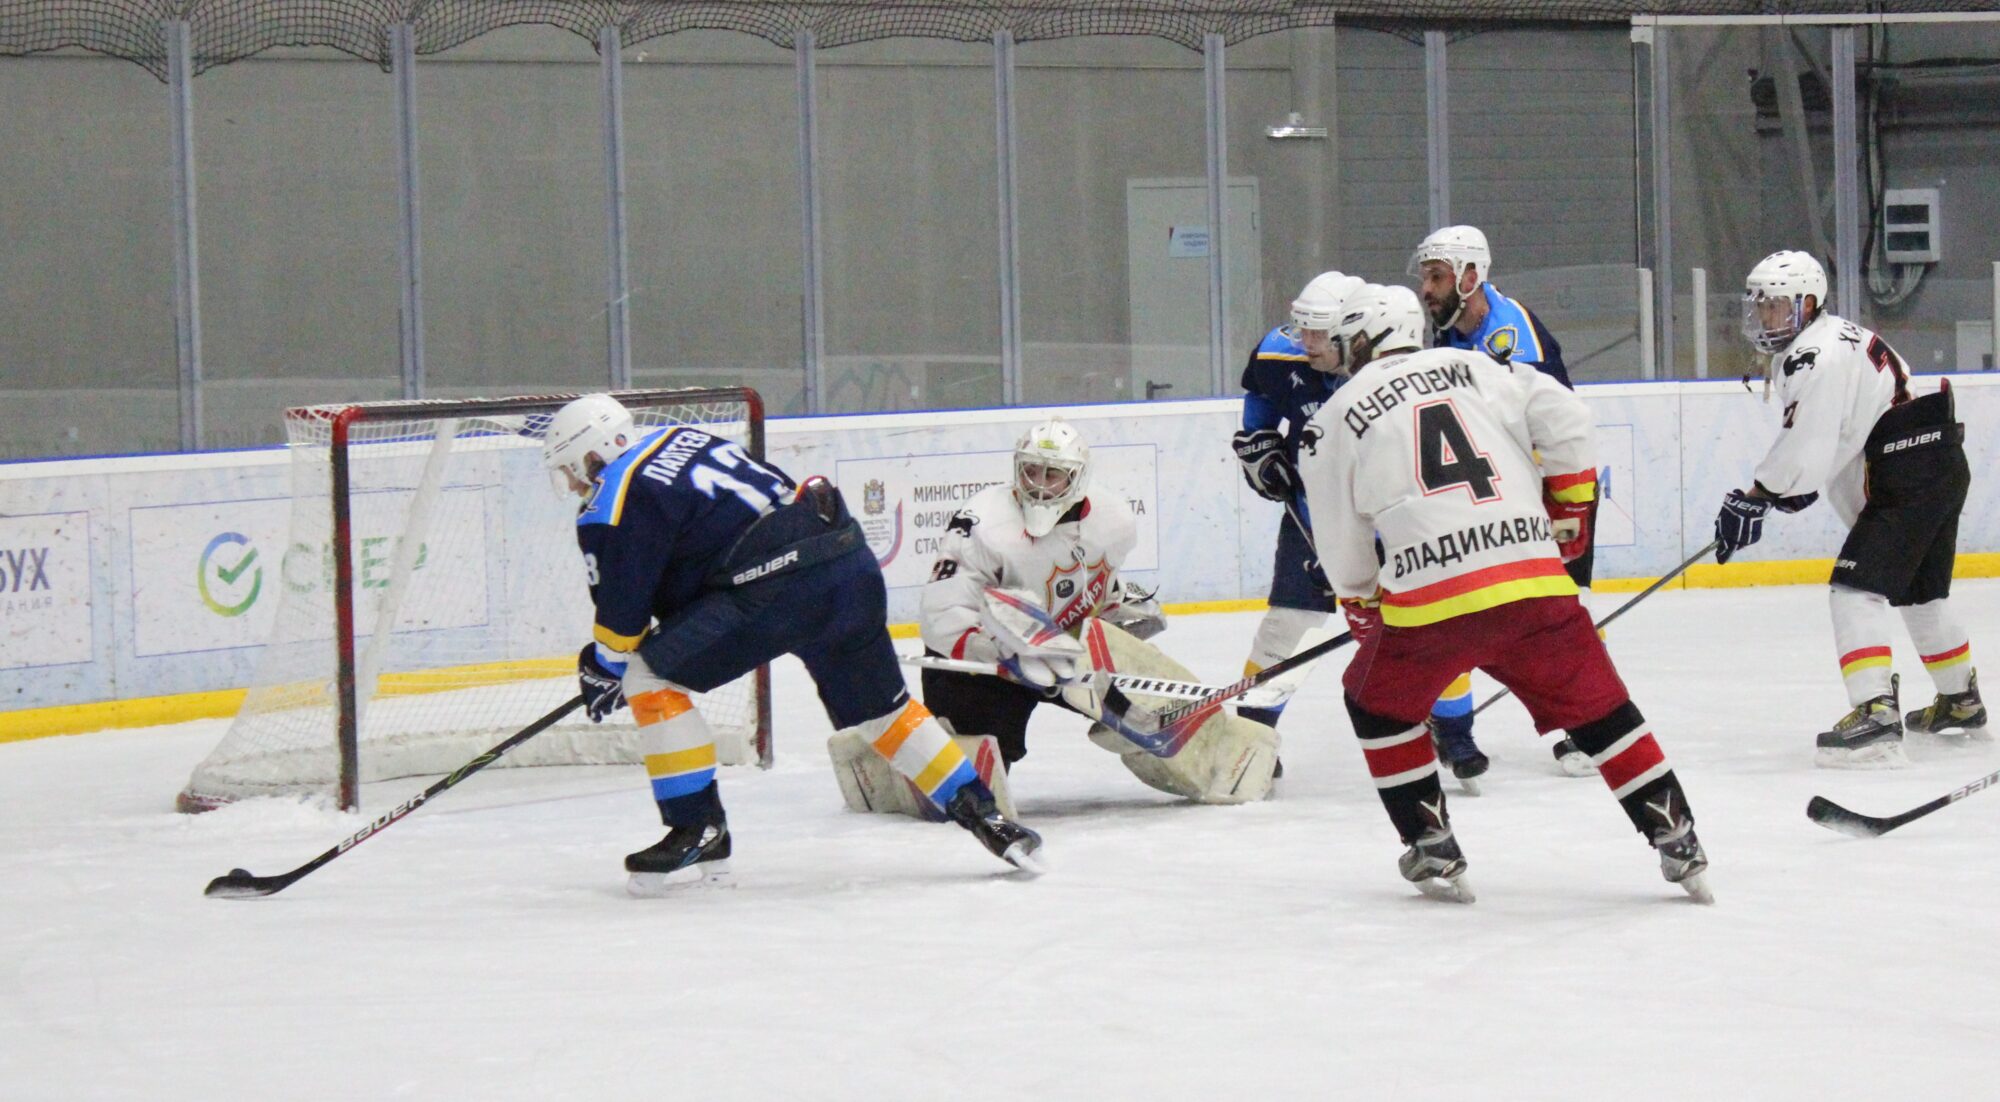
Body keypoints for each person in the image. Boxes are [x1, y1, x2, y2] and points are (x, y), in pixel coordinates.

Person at [1297, 285, 1711, 903]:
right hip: (1532, 578)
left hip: (1432, 601)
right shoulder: (1481, 367)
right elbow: (1568, 418)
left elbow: (1338, 531)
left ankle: (1432, 844)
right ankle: (1676, 836)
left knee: (1375, 702)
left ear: (1362, 340)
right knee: (1600, 710)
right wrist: (1571, 504)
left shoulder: (1332, 418)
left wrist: (1360, 600)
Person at [543, 394, 1043, 893]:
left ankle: (697, 827)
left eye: (570, 469)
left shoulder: (611, 500)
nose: (573, 483)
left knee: (648, 678)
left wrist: (603, 667)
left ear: (592, 454)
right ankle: (988, 816)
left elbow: (622, 624)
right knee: (885, 714)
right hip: (846, 565)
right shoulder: (682, 438)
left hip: (777, 589)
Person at [856, 417, 1278, 810]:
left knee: (1147, 710)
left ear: (1078, 478)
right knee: (977, 783)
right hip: (982, 666)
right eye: (1031, 472)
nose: (1039, 486)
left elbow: (1092, 583)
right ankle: (892, 763)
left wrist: (1116, 606)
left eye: (1053, 474)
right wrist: (1001, 651)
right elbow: (941, 615)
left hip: (1064, 652)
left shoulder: (1114, 520)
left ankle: (1222, 753)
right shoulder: (982, 523)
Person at [1714, 250, 1984, 767]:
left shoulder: (1811, 354)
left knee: (1854, 588)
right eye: (1761, 306)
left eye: (1776, 306)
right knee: (1920, 593)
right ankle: (1960, 701)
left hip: (1907, 468)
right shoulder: (1838, 335)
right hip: (1938, 459)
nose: (1766, 316)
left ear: (1807, 304)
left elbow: (1809, 442)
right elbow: (1843, 432)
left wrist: (1760, 495)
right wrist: (1788, 489)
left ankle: (1876, 713)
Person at [1411, 224, 1593, 779]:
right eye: (1424, 277)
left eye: (1437, 276)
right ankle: (1454, 730)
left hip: (1544, 493)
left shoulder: (1513, 339)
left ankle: (1584, 723)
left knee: (1563, 614)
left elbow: (1559, 429)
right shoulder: (1445, 332)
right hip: (1490, 494)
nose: (1427, 289)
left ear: (1471, 276)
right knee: (1457, 606)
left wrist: (1566, 509)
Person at [1231, 272, 1364, 741]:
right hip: (1309, 514)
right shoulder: (1278, 354)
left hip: (1383, 521)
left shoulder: (1387, 364)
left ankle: (1452, 730)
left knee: (1422, 626)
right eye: (1302, 328)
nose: (1306, 341)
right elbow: (1260, 403)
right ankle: (1250, 738)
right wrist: (1261, 444)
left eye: (1319, 333)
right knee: (1287, 624)